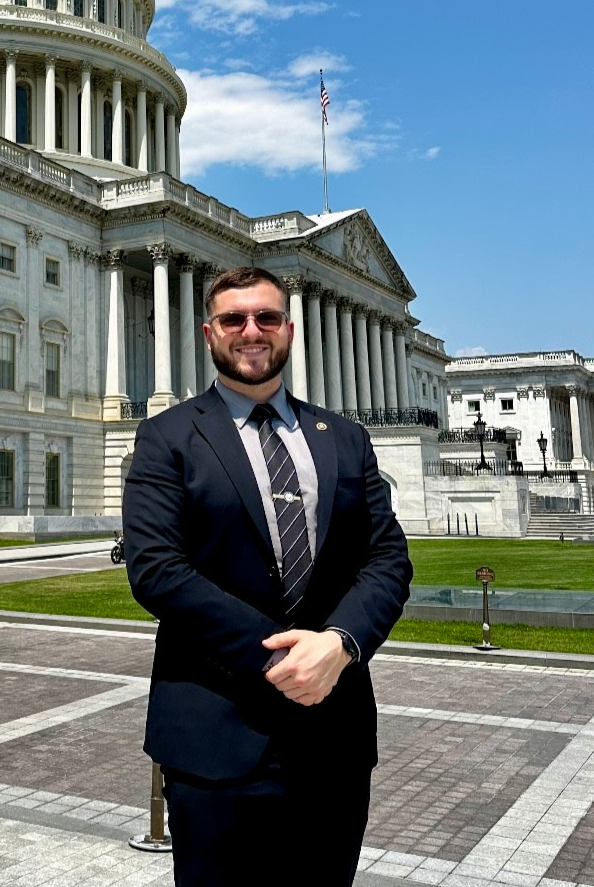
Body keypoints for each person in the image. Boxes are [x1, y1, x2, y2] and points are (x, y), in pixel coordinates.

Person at [123, 266, 412, 887]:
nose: (250, 332)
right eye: (233, 319)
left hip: (333, 733)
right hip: (215, 732)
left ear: (289, 329)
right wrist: (283, 657)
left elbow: (387, 558)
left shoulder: (346, 439)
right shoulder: (165, 436)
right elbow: (157, 570)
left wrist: (338, 644)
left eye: (267, 318)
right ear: (208, 333)